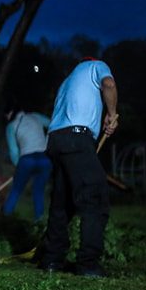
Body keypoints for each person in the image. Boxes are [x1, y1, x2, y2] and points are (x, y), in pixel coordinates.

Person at [39, 58, 119, 277]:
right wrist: (111, 115)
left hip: (56, 140)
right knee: (95, 197)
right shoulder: (97, 65)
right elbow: (109, 84)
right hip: (77, 138)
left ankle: (52, 260)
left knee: (62, 203)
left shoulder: (67, 82)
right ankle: (88, 264)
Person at [3, 104, 52, 220]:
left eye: (7, 114)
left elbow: (14, 151)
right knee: (38, 191)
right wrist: (47, 142)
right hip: (44, 159)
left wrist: (18, 166)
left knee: (16, 190)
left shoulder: (11, 126)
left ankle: (5, 218)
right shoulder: (35, 117)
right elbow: (53, 125)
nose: (6, 117)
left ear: (11, 113)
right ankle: (39, 220)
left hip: (27, 159)